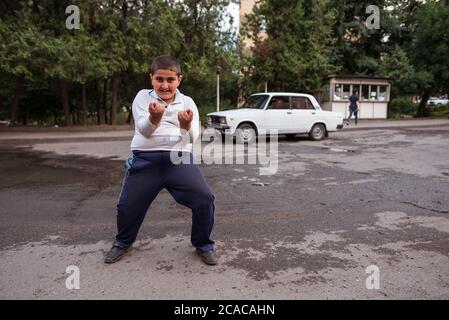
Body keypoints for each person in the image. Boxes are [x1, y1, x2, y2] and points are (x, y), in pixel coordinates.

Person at [104, 55, 217, 266]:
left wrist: (185, 125)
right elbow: (144, 131)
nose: (164, 85)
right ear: (151, 78)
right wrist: (154, 118)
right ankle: (122, 242)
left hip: (179, 160)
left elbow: (193, 138)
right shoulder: (142, 97)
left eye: (170, 80)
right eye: (159, 79)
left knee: (205, 198)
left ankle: (203, 244)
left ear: (179, 79)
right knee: (126, 206)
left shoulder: (188, 102)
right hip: (146, 161)